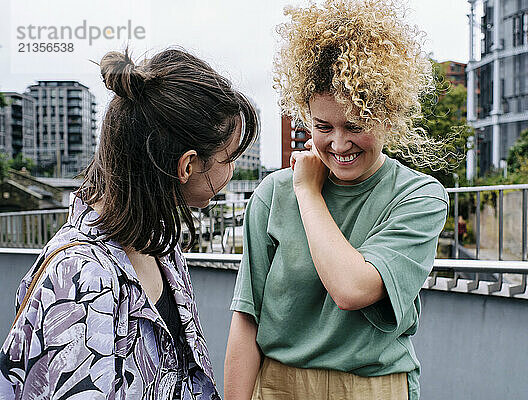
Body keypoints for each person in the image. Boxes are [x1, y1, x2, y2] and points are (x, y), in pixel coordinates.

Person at [0, 48, 258, 400]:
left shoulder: (158, 245)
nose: (231, 173)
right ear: (187, 166)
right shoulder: (79, 280)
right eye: (229, 159)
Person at [224, 1, 452, 399]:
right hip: (278, 385)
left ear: (388, 116)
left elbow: (351, 288)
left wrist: (308, 192)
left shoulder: (419, 197)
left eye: (355, 125)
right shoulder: (271, 194)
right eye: (322, 126)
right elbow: (247, 318)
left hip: (372, 387)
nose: (339, 143)